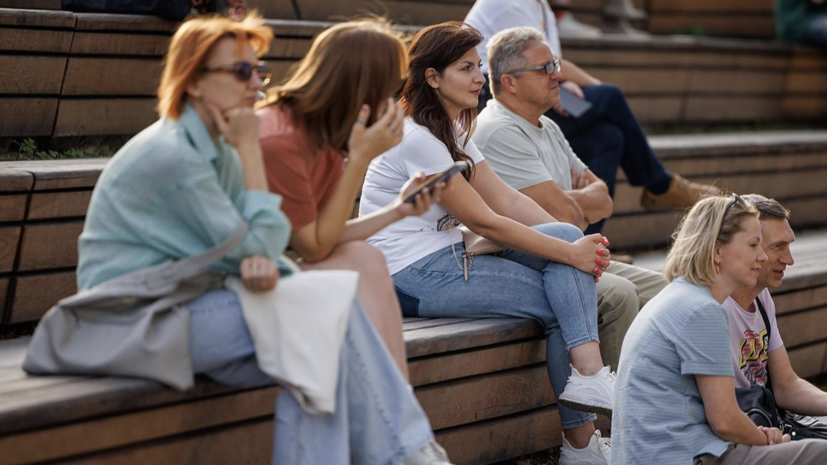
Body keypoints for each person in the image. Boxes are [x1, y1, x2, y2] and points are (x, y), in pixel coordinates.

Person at [75, 14, 451, 465]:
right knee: (324, 314)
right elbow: (264, 246)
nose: (257, 85)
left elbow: (262, 247)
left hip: (186, 299)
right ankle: (409, 452)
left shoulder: (215, 142)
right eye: (240, 72)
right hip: (131, 319)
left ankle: (406, 449)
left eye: (259, 70)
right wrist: (253, 167)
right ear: (194, 82)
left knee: (317, 355)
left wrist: (259, 254)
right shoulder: (179, 153)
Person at [361, 21, 616, 465]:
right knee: (563, 297)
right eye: (466, 67)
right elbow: (488, 221)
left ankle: (587, 406)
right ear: (432, 77)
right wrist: (571, 254)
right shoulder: (418, 138)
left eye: (478, 65)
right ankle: (583, 441)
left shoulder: (451, 130)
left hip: (443, 256)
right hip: (407, 276)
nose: (480, 77)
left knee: (564, 249)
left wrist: (576, 242)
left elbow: (508, 200)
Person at [474, 26, 667, 370]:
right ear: (510, 82)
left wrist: (571, 201)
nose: (558, 75)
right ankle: (611, 418)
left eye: (555, 64)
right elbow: (567, 218)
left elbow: (603, 201)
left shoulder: (546, 125)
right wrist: (577, 201)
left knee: (665, 288)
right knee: (620, 295)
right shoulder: (500, 129)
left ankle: (659, 403)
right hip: (529, 259)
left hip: (567, 255)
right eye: (545, 68)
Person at [257, 19, 442, 380]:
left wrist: (397, 211)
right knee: (359, 268)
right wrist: (360, 160)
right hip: (235, 276)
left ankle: (402, 414)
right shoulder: (280, 138)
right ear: (363, 89)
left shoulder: (321, 133)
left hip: (271, 268)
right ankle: (404, 421)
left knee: (364, 256)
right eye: (391, 88)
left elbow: (327, 234)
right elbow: (313, 247)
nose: (395, 102)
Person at [464, 0, 720, 229]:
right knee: (610, 96)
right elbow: (526, 64)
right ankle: (660, 185)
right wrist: (588, 84)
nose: (553, 72)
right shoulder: (512, 2)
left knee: (608, 137)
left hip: (526, 83)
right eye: (549, 70)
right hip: (494, 92)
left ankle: (593, 243)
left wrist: (562, 77)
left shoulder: (542, 8)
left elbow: (549, 63)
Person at [611, 194, 827, 464]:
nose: (761, 256)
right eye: (753, 245)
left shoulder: (685, 296)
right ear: (717, 251)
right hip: (684, 455)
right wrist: (767, 439)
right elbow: (725, 420)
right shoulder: (703, 310)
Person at [724, 194, 827, 416]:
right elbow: (721, 416)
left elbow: (786, 385)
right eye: (778, 247)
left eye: (788, 246)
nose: (790, 260)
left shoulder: (761, 297)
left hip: (762, 420)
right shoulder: (715, 307)